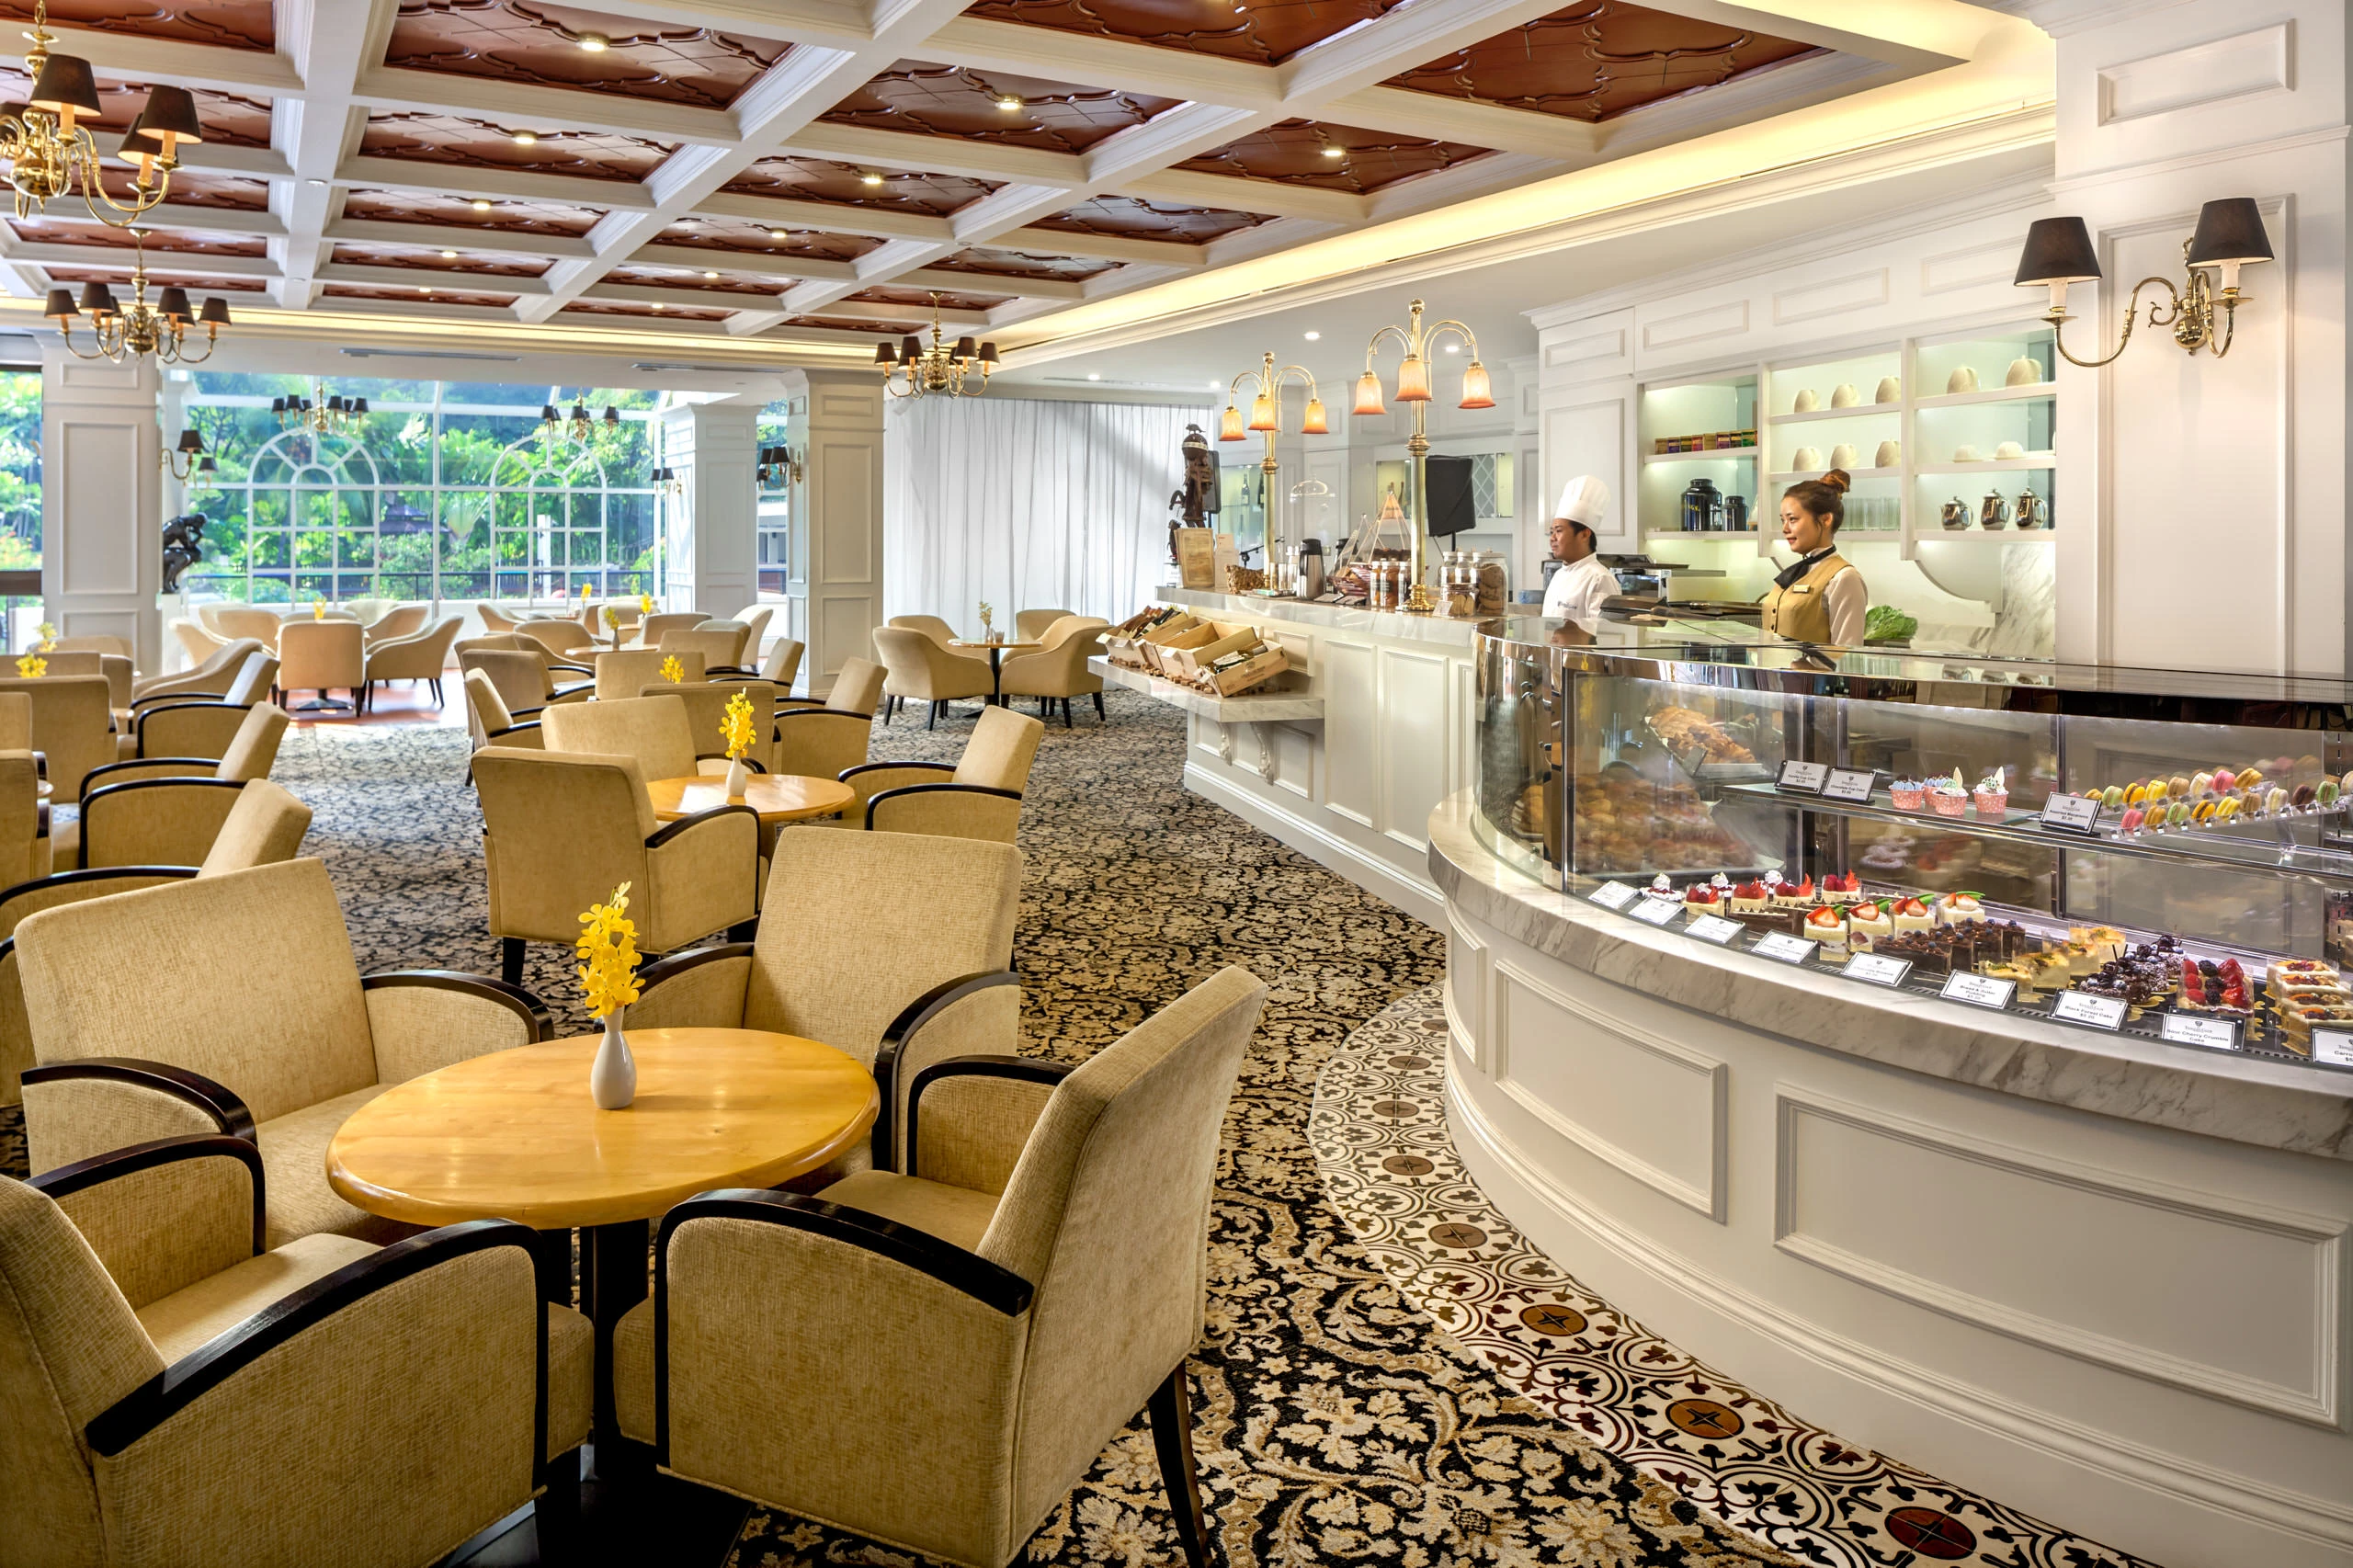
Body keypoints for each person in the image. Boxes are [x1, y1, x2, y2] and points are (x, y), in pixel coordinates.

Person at [1760, 470, 1865, 644]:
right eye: (1782, 520)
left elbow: (1848, 655)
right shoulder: (1796, 572)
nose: (1785, 529)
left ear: (1826, 520)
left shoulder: (1844, 578)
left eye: (1792, 519)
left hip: (1811, 673)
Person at [1540, 475, 1617, 630]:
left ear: (1584, 534)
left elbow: (1603, 635)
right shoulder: (1559, 575)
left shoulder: (1600, 579)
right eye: (1551, 532)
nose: (1552, 538)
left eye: (1559, 531)